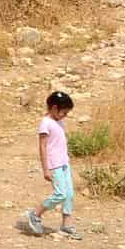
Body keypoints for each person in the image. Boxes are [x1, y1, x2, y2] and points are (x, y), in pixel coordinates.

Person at [24, 90, 80, 238]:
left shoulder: (58, 121)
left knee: (69, 194)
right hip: (54, 164)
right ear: (54, 108)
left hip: (64, 163)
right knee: (60, 194)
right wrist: (45, 169)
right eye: (64, 112)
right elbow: (42, 147)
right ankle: (35, 214)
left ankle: (66, 224)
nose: (65, 115)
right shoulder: (45, 124)